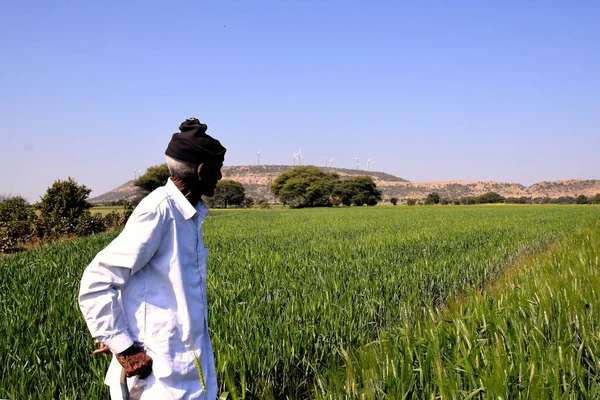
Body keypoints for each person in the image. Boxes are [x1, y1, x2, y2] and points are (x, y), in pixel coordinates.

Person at [79, 118, 226, 399]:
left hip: (186, 371)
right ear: (201, 170)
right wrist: (124, 348)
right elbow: (97, 281)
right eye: (217, 169)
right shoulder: (158, 211)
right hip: (157, 379)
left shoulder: (189, 213)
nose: (219, 177)